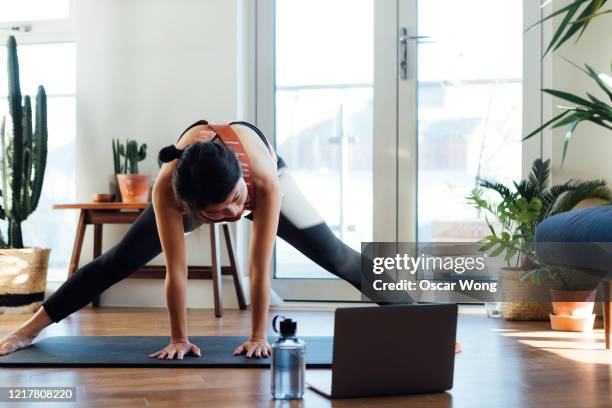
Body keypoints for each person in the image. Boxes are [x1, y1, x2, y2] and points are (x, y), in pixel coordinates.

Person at [0, 119, 421, 359]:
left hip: (263, 175)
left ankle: (423, 318)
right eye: (219, 215)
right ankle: (29, 329)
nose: (235, 217)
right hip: (202, 186)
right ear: (192, 208)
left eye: (237, 204)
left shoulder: (261, 178)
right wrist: (179, 339)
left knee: (336, 257)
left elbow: (259, 267)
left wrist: (259, 337)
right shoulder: (169, 189)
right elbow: (177, 270)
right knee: (117, 261)